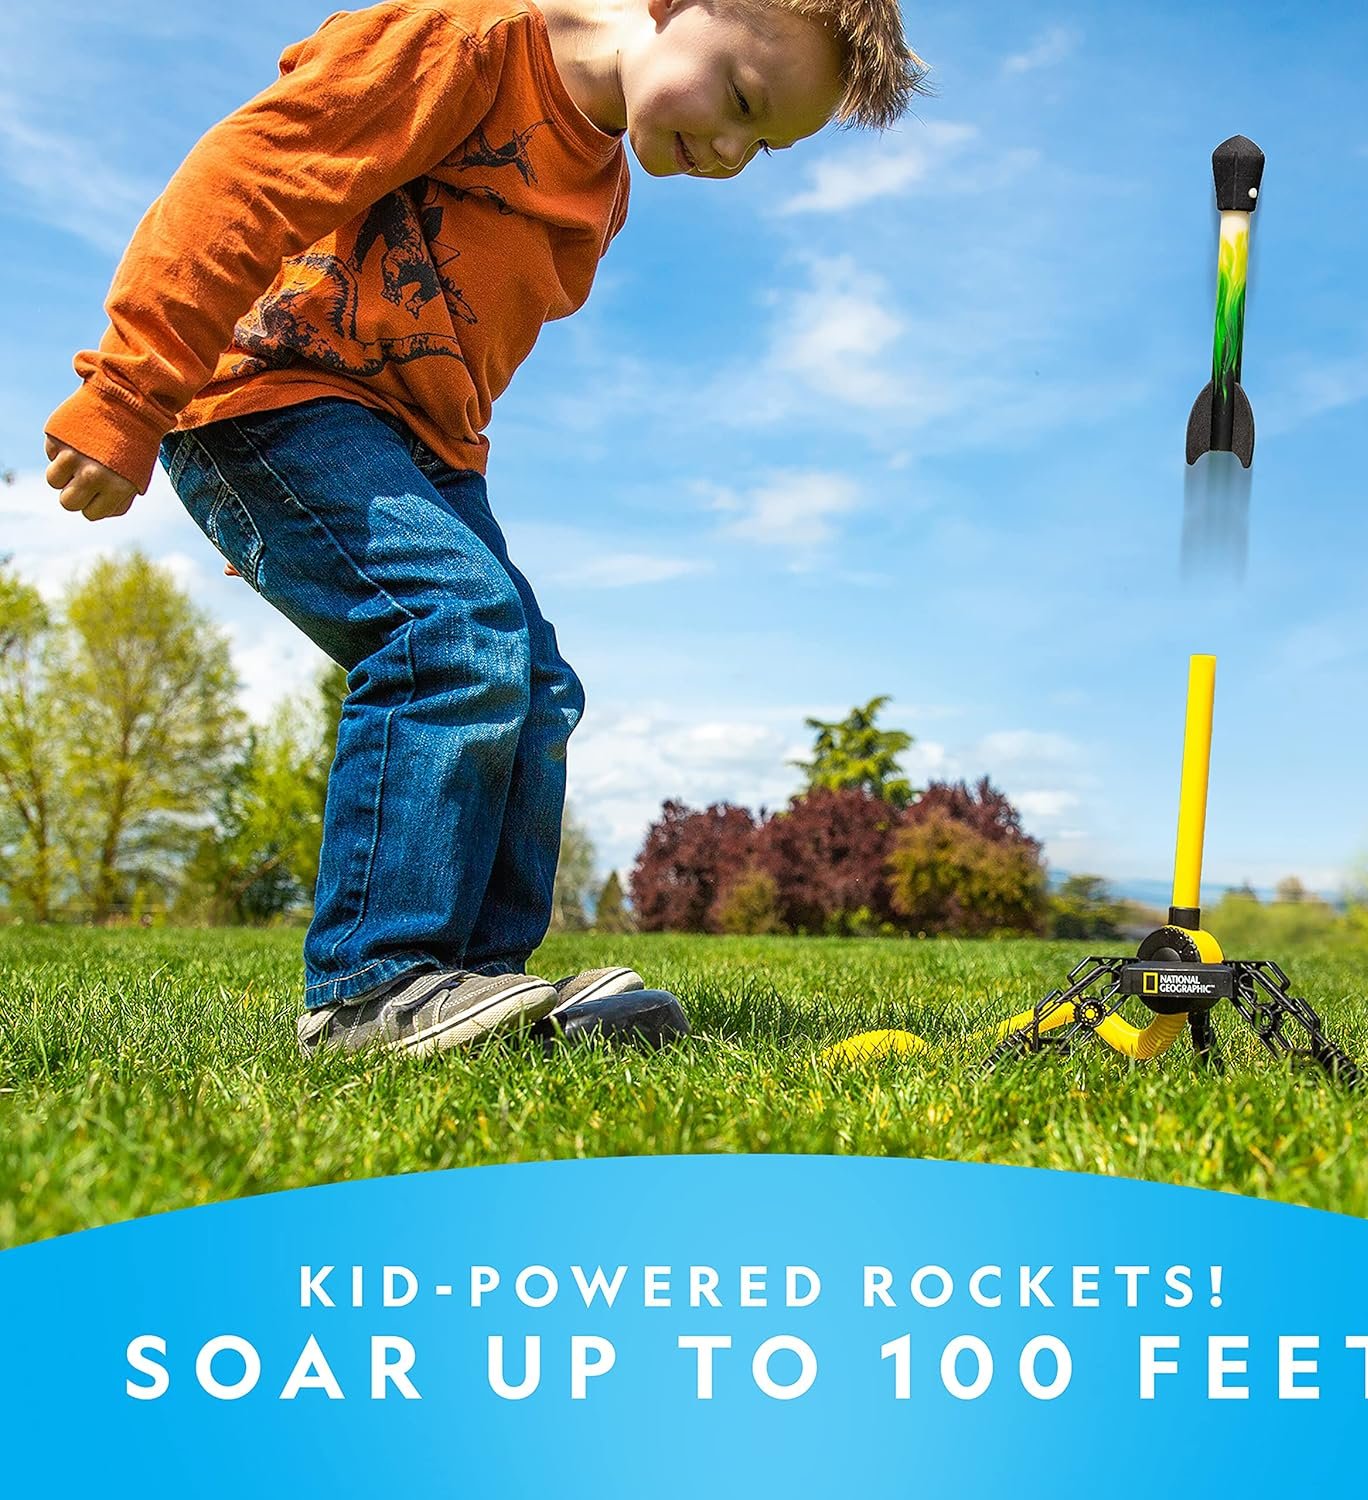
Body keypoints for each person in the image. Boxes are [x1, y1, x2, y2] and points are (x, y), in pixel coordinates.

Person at [42, 0, 925, 1056]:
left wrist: (373, 514)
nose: (732, 152)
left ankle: (479, 986)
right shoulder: (470, 41)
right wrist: (132, 391)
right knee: (452, 631)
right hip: (269, 389)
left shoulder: (601, 192)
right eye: (739, 98)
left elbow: (465, 353)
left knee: (535, 681)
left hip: (410, 445)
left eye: (765, 142)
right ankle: (370, 985)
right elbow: (252, 174)